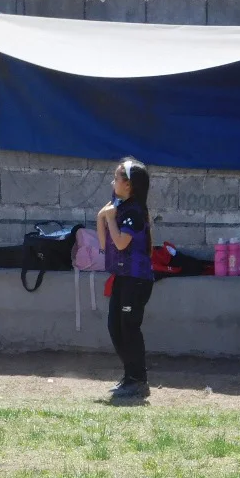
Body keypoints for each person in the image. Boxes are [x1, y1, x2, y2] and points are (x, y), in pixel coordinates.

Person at [97, 157, 153, 400]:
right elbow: (103, 243)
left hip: (137, 278)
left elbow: (120, 243)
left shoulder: (135, 212)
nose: (113, 180)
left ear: (129, 185)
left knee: (129, 327)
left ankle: (139, 380)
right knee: (115, 326)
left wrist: (109, 218)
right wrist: (102, 217)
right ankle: (130, 376)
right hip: (122, 276)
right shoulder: (118, 206)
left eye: (118, 177)